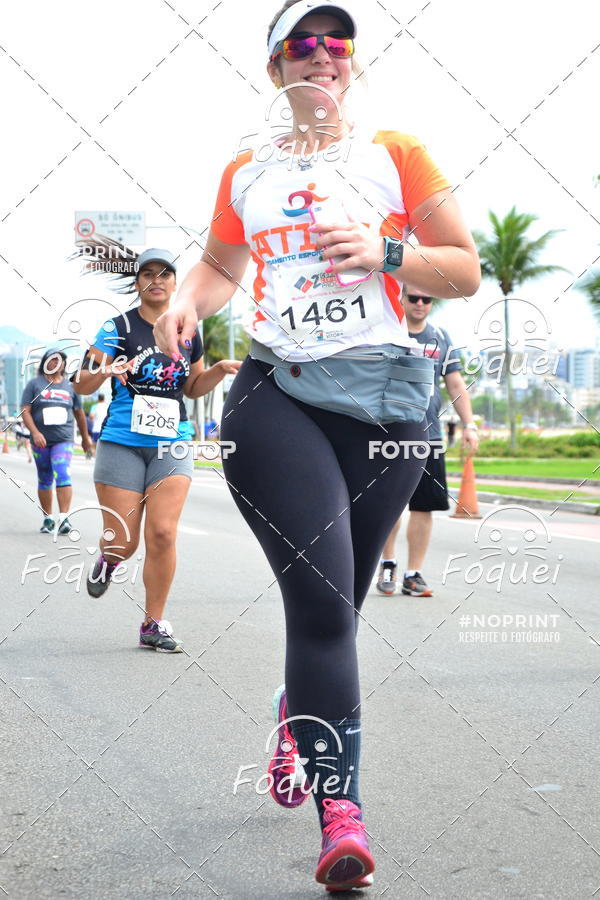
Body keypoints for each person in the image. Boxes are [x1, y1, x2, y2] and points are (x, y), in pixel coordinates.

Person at [153, 0, 480, 888]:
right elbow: (223, 267)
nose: (325, 57)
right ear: (276, 69)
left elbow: (463, 266)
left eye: (339, 44)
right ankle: (344, 814)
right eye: (305, 45)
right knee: (327, 609)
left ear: (354, 64)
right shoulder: (245, 171)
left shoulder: (396, 155)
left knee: (340, 603)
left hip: (389, 405)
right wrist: (190, 299)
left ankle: (297, 710)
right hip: (278, 392)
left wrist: (385, 250)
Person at [72, 241, 240, 652]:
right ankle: (108, 560)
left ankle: (153, 623)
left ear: (175, 282)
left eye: (165, 273)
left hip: (173, 442)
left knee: (163, 533)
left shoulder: (188, 329)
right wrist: (105, 370)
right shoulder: (118, 328)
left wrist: (217, 370)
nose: (157, 280)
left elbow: (192, 387)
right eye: (148, 274)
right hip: (122, 443)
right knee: (122, 542)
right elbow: (80, 382)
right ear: (138, 282)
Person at [376, 287, 479, 597]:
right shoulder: (386, 331)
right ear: (402, 299)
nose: (421, 304)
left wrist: (470, 424)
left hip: (428, 436)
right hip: (387, 433)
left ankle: (413, 574)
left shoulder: (440, 337)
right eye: (414, 298)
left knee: (424, 507)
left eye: (427, 299)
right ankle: (388, 564)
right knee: (387, 506)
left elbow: (455, 383)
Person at [21, 349, 92, 533]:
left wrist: (85, 438)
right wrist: (35, 432)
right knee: (44, 478)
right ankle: (48, 519)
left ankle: (64, 519)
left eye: (59, 361)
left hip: (64, 439)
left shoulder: (71, 386)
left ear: (64, 364)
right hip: (40, 441)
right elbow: (25, 411)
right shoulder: (34, 385)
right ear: (45, 362)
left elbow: (79, 413)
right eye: (52, 360)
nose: (55, 363)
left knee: (62, 472)